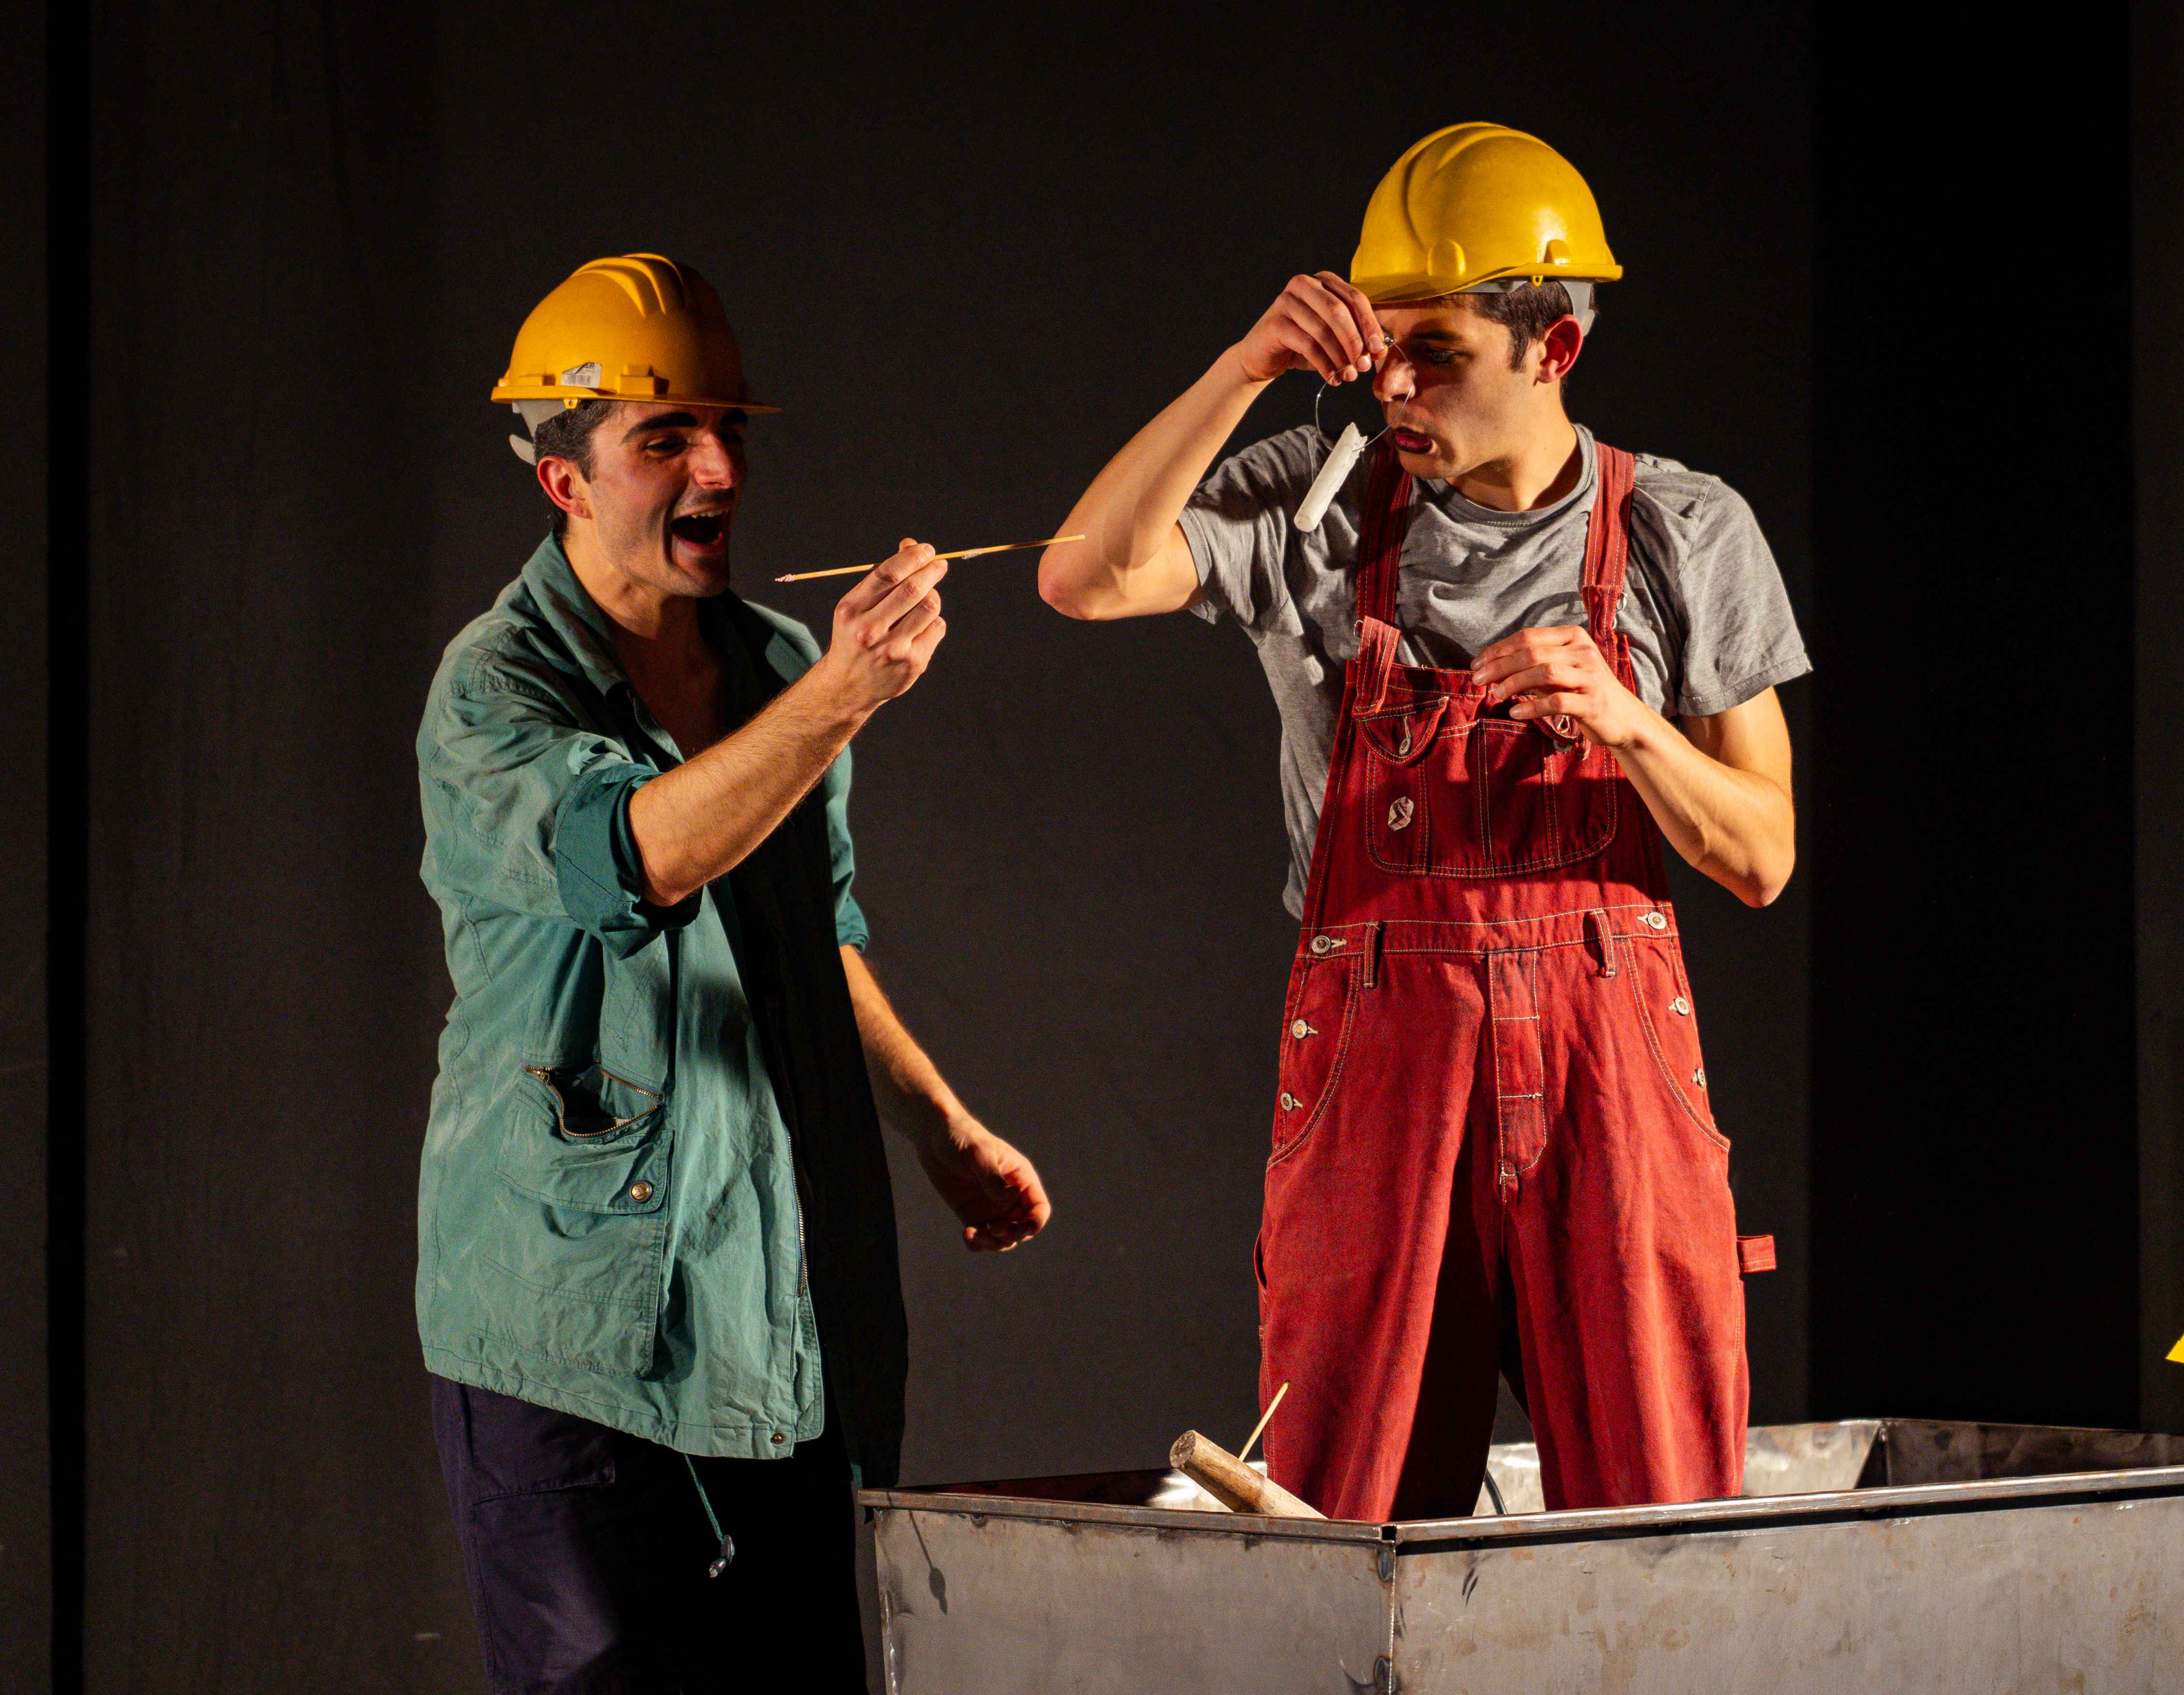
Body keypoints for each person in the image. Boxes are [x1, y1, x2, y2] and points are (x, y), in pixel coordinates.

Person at [1040, 127, 1806, 1521]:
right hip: (1378, 1080)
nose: (1391, 384)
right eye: (1378, 346)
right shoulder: (1314, 503)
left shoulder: (1689, 530)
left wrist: (1627, 723)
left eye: (1435, 352)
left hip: (1609, 1080)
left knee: (1658, 1523)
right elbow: (1082, 578)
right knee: (1350, 1527)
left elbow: (1758, 855)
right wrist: (1243, 370)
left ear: (1553, 350)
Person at [416, 253, 1048, 1691]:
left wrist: (941, 1129)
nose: (717, 469)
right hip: (572, 1334)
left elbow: (808, 933)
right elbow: (633, 858)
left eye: (728, 433)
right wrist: (840, 700)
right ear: (564, 482)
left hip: (785, 1312)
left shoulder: (769, 659)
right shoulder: (493, 687)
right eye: (663, 440)